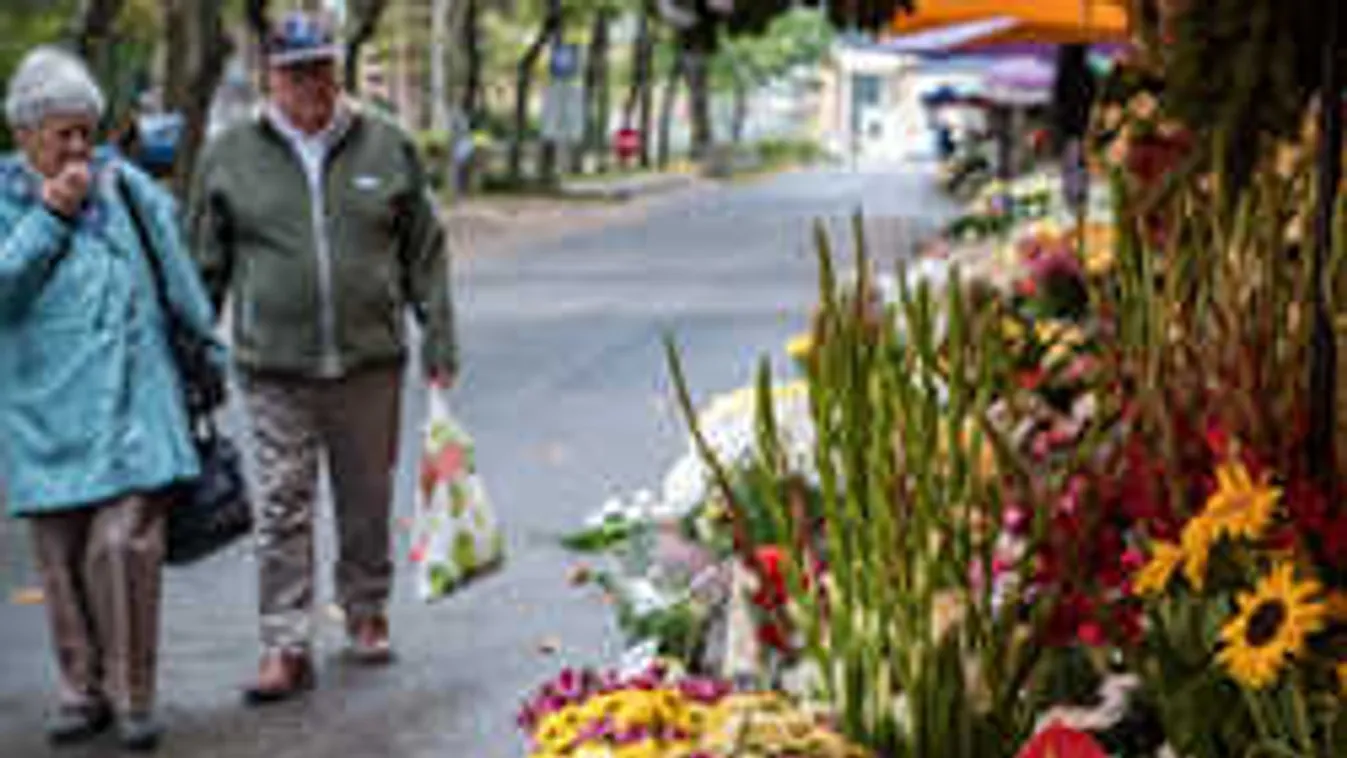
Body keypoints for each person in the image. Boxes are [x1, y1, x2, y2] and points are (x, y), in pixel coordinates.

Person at [188, 11, 458, 704]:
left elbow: (425, 251)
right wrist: (188, 353)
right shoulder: (229, 154)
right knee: (282, 504)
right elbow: (204, 264)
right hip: (273, 365)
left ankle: (365, 611)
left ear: (336, 67)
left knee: (365, 498)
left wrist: (440, 336)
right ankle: (285, 643)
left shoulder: (386, 145)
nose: (311, 82)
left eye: (321, 67)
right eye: (296, 69)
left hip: (370, 360)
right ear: (270, 74)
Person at [0, 46, 225, 751]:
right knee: (60, 559)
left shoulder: (127, 188)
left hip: (137, 398)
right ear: (23, 134)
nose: (77, 148)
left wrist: (210, 355)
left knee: (122, 543)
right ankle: (82, 690)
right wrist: (49, 217)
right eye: (61, 133)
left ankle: (135, 696)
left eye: (85, 132)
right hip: (43, 408)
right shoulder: (6, 202)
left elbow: (177, 275)